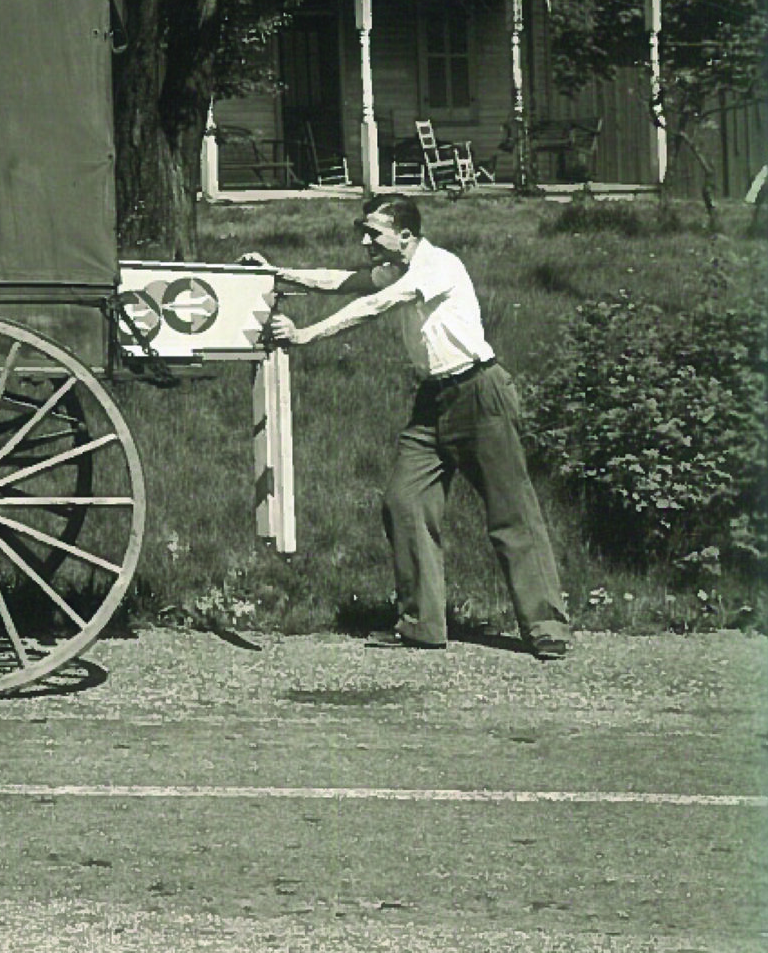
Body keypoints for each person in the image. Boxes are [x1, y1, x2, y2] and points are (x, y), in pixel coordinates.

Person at [241, 196, 569, 659]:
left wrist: (306, 335)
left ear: (406, 236)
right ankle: (422, 623)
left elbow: (377, 304)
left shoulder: (438, 266)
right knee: (404, 501)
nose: (364, 240)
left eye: (374, 232)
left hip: (480, 393)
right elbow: (344, 282)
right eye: (364, 230)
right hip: (433, 400)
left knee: (511, 512)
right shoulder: (396, 267)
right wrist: (278, 274)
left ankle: (546, 627)